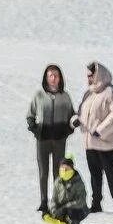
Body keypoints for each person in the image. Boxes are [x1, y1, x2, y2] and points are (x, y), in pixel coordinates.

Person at [27, 64, 78, 213]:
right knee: (43, 172)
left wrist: (69, 129)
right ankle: (44, 201)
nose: (53, 78)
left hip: (59, 140)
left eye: (56, 76)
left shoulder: (65, 97)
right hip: (43, 140)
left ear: (60, 78)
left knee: (58, 172)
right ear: (46, 78)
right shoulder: (39, 95)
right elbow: (30, 115)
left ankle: (57, 199)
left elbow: (72, 116)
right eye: (50, 76)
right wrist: (35, 129)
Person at [77, 61, 113, 214]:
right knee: (94, 175)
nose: (89, 78)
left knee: (112, 174)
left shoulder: (111, 92)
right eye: (88, 76)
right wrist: (76, 119)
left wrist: (100, 130)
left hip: (106, 143)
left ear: (98, 74)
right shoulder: (89, 93)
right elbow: (82, 111)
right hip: (90, 143)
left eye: (91, 75)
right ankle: (96, 202)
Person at [43, 156, 89, 224]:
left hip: (77, 208)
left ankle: (71, 222)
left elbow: (81, 201)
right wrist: (53, 208)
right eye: (62, 168)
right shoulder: (58, 181)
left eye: (67, 169)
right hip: (62, 207)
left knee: (72, 213)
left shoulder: (78, 182)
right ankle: (59, 220)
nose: (64, 171)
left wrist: (66, 207)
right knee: (47, 213)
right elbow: (54, 198)